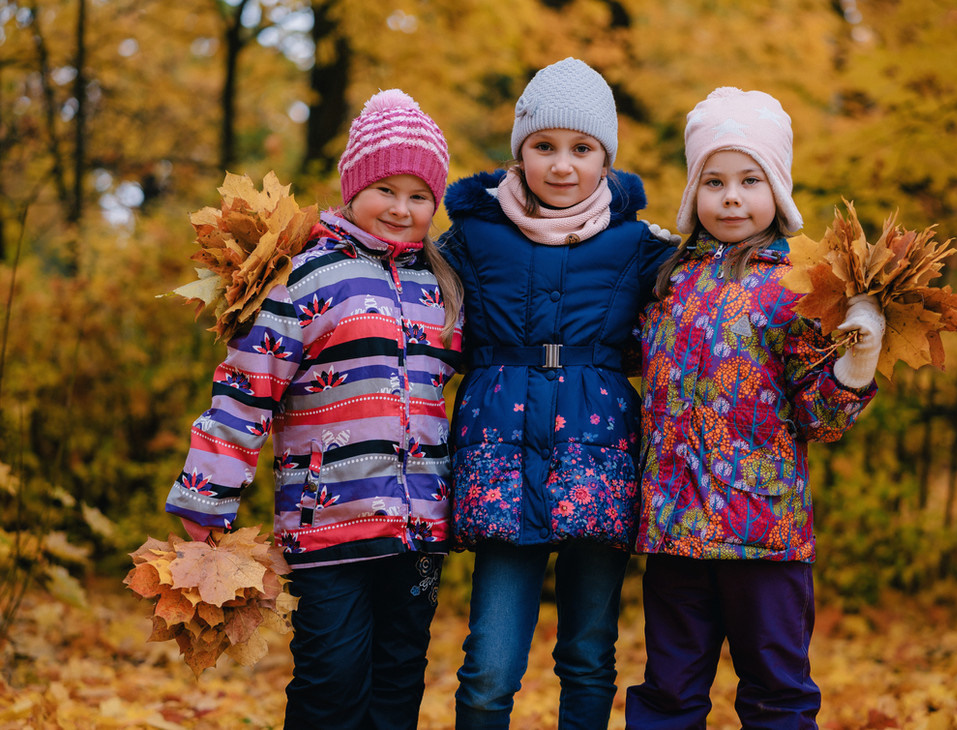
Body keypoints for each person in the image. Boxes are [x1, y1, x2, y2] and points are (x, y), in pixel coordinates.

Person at [164, 89, 462, 729]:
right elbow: (246, 390)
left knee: (400, 678)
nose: (402, 208)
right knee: (332, 680)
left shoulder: (441, 287)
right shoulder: (308, 277)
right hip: (329, 525)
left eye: (420, 196)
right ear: (354, 188)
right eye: (387, 189)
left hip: (418, 532)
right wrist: (206, 496)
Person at [624, 87, 885, 729]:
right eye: (714, 181)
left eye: (750, 179)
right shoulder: (665, 282)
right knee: (669, 692)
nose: (732, 197)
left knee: (776, 691)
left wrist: (856, 361)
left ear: (778, 191)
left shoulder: (797, 288)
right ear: (693, 192)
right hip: (675, 529)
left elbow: (820, 420)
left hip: (763, 533)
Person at [439, 57, 672, 729]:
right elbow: (414, 302)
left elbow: (703, 307)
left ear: (606, 159)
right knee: (488, 665)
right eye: (544, 146)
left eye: (582, 149)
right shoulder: (472, 239)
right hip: (501, 464)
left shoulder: (641, 246)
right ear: (520, 152)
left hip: (595, 462)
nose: (562, 165)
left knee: (590, 654)